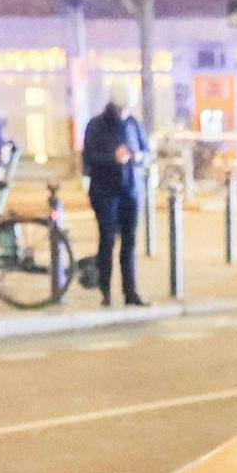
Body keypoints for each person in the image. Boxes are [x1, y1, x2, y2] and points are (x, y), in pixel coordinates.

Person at [83, 85, 148, 307]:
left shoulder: (133, 125)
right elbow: (89, 158)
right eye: (121, 108)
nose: (124, 112)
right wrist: (113, 157)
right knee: (107, 240)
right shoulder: (97, 125)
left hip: (130, 190)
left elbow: (146, 152)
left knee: (129, 243)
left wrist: (138, 157)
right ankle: (106, 291)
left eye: (127, 108)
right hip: (105, 191)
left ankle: (130, 292)